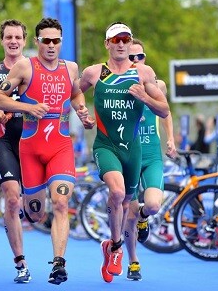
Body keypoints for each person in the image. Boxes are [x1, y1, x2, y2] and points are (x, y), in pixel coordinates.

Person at [0, 17, 92, 285]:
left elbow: (76, 94)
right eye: (45, 40)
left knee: (61, 203)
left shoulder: (70, 68)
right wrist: (27, 108)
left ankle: (58, 264)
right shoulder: (26, 66)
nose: (50, 45)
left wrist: (82, 110)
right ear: (37, 42)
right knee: (36, 213)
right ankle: (29, 210)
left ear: (61, 42)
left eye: (55, 41)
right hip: (31, 149)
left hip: (60, 146)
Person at [76, 22, 169, 283]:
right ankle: (116, 247)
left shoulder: (143, 73)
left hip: (134, 149)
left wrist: (145, 98)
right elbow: (73, 92)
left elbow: (163, 110)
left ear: (129, 44)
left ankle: (113, 247)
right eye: (115, 40)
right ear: (107, 44)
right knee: (116, 193)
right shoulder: (95, 72)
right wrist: (81, 111)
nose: (120, 44)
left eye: (124, 39)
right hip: (106, 145)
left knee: (128, 203)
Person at [123, 38, 177, 281]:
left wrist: (171, 139)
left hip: (152, 153)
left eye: (139, 57)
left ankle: (145, 218)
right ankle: (133, 261)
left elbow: (165, 111)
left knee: (153, 205)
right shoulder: (118, 85)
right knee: (130, 212)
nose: (135, 61)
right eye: (130, 58)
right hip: (129, 155)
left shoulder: (158, 85)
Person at [0, 19, 32, 283]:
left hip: (33, 145)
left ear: (24, 41)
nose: (13, 41)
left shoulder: (34, 69)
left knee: (35, 210)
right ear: (2, 40)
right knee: (12, 199)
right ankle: (21, 262)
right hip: (6, 144)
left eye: (18, 37)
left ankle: (32, 212)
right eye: (8, 37)